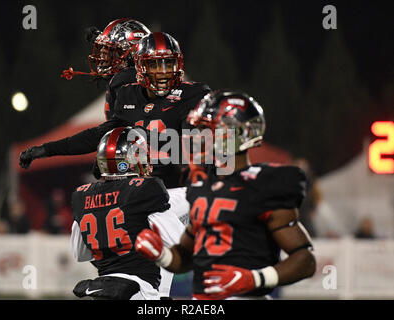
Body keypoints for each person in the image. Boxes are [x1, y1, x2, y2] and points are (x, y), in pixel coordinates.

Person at [135, 90, 316, 300]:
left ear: (239, 133)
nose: (199, 138)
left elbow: (305, 260)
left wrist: (254, 278)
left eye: (209, 130)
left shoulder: (265, 185)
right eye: (200, 130)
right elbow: (186, 257)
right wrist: (162, 255)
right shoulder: (201, 187)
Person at [19, 31, 211, 190]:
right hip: (135, 193)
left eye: (168, 63)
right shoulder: (128, 95)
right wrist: (47, 149)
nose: (162, 71)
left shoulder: (193, 94)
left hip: (177, 192)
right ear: (140, 66)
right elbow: (96, 135)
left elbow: (205, 147)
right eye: (154, 64)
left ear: (178, 64)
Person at [70, 127, 185, 300]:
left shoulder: (83, 195)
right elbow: (180, 244)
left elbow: (80, 253)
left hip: (102, 288)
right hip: (139, 291)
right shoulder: (144, 191)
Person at [61, 18, 151, 121]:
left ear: (133, 53)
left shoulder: (125, 79)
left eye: (111, 51)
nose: (103, 57)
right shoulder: (124, 80)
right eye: (103, 49)